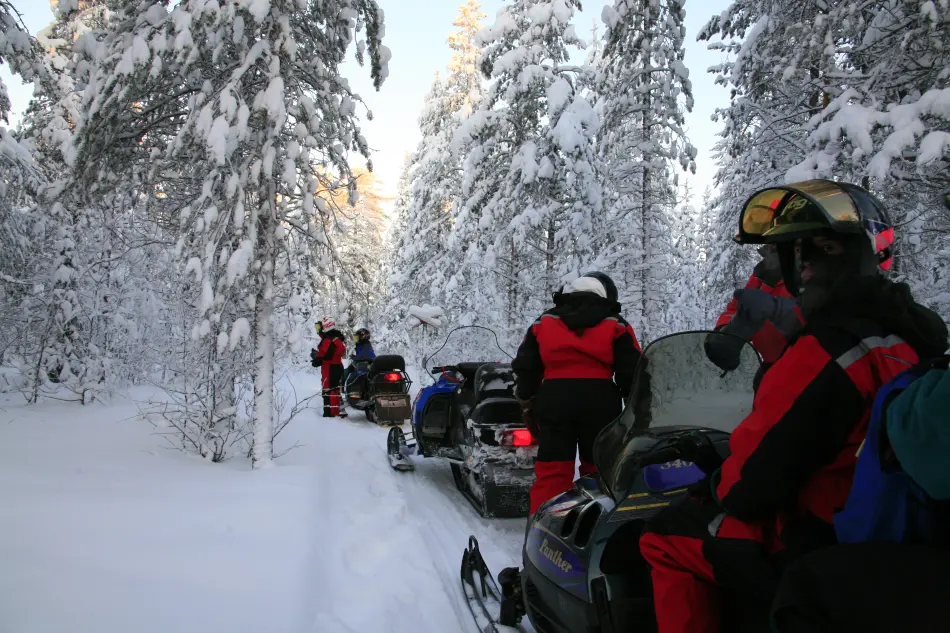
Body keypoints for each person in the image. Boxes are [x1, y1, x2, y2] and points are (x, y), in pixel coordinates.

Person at [638, 179, 948, 633]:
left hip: (819, 536)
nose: (799, 271)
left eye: (806, 258)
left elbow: (750, 488)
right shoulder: (908, 339)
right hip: (895, 533)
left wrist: (716, 481)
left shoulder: (826, 350)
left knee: (665, 536)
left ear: (829, 257)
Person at [511, 272, 642, 515]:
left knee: (552, 471)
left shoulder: (543, 323)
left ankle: (543, 527)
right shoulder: (616, 323)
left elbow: (526, 367)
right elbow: (632, 373)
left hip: (554, 401)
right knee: (598, 470)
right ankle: (593, 525)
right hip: (600, 403)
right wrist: (636, 408)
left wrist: (527, 401)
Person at [705, 245, 802, 382]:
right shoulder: (765, 271)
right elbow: (738, 307)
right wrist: (726, 331)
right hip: (773, 372)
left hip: (806, 372)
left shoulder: (812, 273)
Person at [311, 318, 347, 418]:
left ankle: (329, 414)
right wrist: (318, 356)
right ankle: (336, 410)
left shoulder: (328, 339)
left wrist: (316, 358)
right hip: (336, 367)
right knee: (334, 389)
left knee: (328, 390)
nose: (318, 329)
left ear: (326, 326)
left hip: (329, 368)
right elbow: (330, 353)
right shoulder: (335, 338)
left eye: (320, 327)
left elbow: (326, 356)